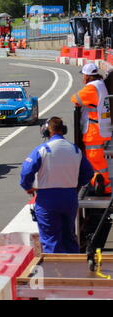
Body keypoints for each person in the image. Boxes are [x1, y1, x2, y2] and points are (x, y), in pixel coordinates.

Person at [20, 117, 94, 253]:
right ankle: (74, 271)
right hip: (69, 198)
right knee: (69, 238)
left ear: (47, 132)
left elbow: (26, 172)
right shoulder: (75, 150)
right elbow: (88, 173)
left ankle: (55, 272)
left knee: (50, 240)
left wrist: (28, 187)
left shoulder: (42, 150)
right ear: (63, 130)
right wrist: (76, 184)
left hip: (47, 200)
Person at [71, 63, 112, 195]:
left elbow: (75, 99)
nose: (83, 77)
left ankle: (98, 181)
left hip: (93, 131)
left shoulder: (92, 88)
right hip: (102, 128)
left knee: (94, 160)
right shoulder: (100, 84)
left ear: (88, 76)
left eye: (84, 75)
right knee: (99, 160)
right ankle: (103, 183)